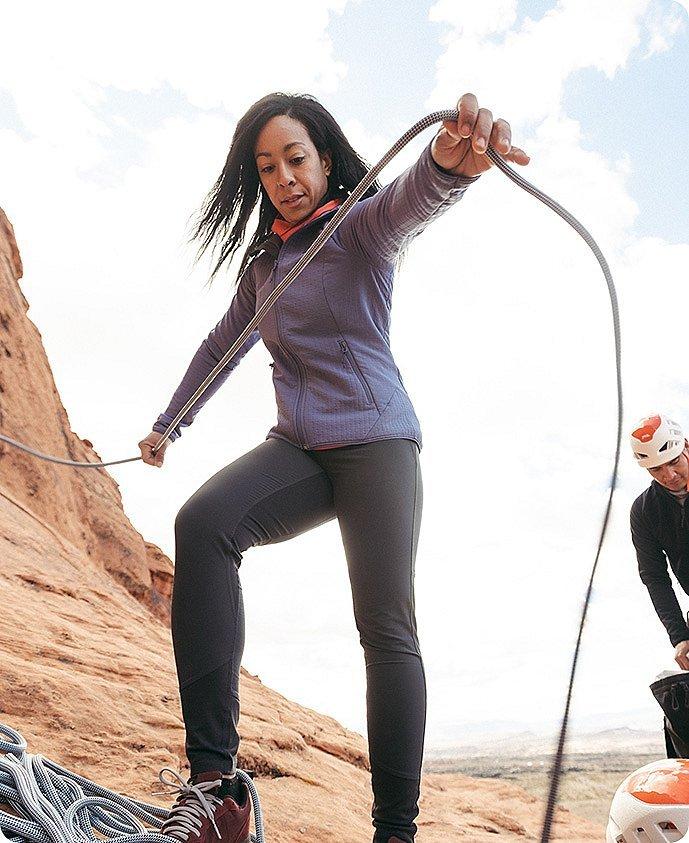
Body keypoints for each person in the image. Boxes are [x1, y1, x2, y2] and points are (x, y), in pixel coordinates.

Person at [139, 91, 530, 843]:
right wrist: (168, 423)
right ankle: (216, 788)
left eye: (295, 159)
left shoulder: (358, 227)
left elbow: (412, 199)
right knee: (204, 523)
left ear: (323, 159)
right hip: (298, 446)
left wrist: (450, 165)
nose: (283, 177)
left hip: (376, 442)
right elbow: (222, 344)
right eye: (267, 167)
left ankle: (394, 831)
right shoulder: (265, 267)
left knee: (384, 625)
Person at [630, 414, 689, 671]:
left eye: (674, 461)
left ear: (686, 446)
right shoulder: (645, 511)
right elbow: (654, 577)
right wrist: (680, 636)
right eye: (656, 469)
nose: (669, 475)